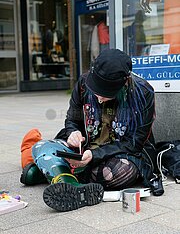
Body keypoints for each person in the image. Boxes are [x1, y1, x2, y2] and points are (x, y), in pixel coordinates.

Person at [20, 49, 164, 212]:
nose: (98, 98)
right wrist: (72, 133)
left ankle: (55, 173)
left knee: (117, 172)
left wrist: (94, 155)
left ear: (123, 83)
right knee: (41, 147)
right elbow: (72, 119)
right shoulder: (83, 83)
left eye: (105, 94)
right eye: (95, 90)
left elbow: (134, 143)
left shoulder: (143, 93)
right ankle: (71, 184)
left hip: (122, 153)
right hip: (84, 149)